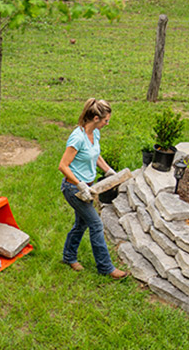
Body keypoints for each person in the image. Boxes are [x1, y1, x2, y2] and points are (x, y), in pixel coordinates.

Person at [58, 98, 128, 279]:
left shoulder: (95, 133)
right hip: (73, 188)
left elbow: (96, 156)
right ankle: (106, 267)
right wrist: (80, 184)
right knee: (96, 224)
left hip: (89, 187)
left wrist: (109, 172)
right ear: (96, 118)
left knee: (81, 224)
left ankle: (68, 257)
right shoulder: (77, 137)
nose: (107, 123)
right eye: (106, 120)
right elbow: (63, 165)